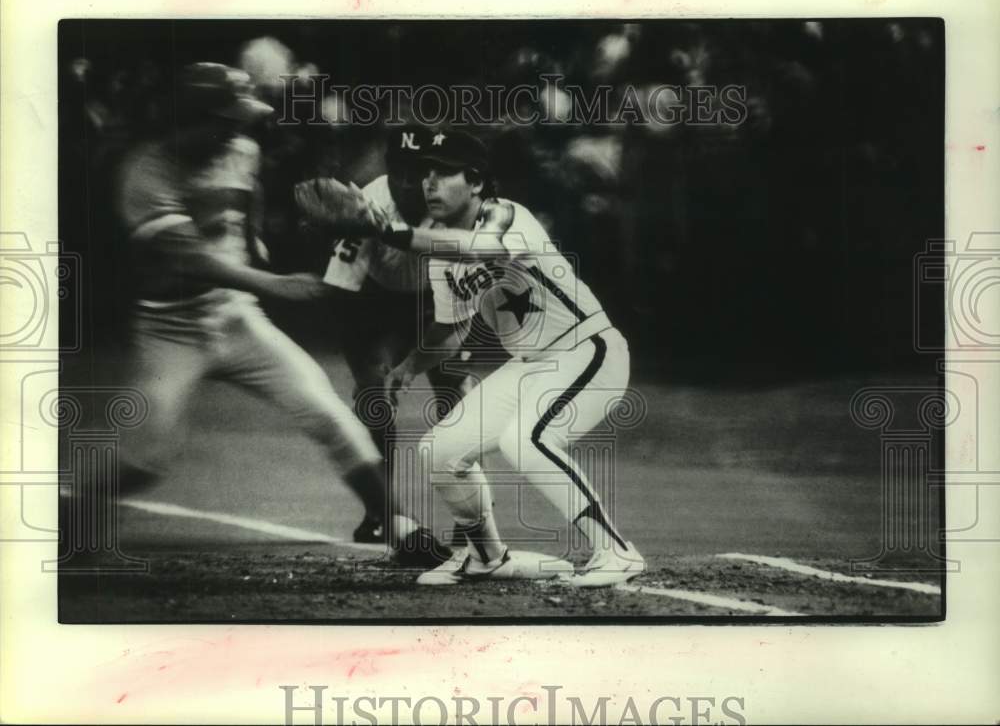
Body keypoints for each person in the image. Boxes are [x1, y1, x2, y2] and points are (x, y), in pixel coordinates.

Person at [113, 62, 444, 566]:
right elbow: (186, 259)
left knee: (330, 415)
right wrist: (273, 283)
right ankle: (70, 515)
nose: (238, 130)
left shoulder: (240, 150)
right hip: (170, 329)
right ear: (188, 118)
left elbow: (249, 191)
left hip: (236, 319)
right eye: (227, 120)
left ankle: (400, 529)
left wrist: (252, 237)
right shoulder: (145, 173)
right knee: (145, 457)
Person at [378, 129, 645, 587]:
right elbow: (451, 331)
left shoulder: (505, 214)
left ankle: (616, 551)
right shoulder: (438, 250)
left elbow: (481, 249)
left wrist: (390, 232)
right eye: (425, 173)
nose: (429, 182)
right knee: (439, 450)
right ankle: (487, 557)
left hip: (587, 351)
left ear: (476, 181)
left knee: (525, 440)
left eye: (444, 173)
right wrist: (407, 368)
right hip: (528, 366)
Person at [316, 124, 472, 545]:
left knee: (458, 400)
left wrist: (415, 362)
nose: (406, 182)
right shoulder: (367, 205)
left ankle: (472, 517)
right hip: (377, 304)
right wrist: (368, 374)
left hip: (438, 302)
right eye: (398, 170)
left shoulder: (459, 207)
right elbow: (339, 293)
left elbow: (460, 306)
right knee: (375, 401)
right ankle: (379, 511)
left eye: (417, 172)